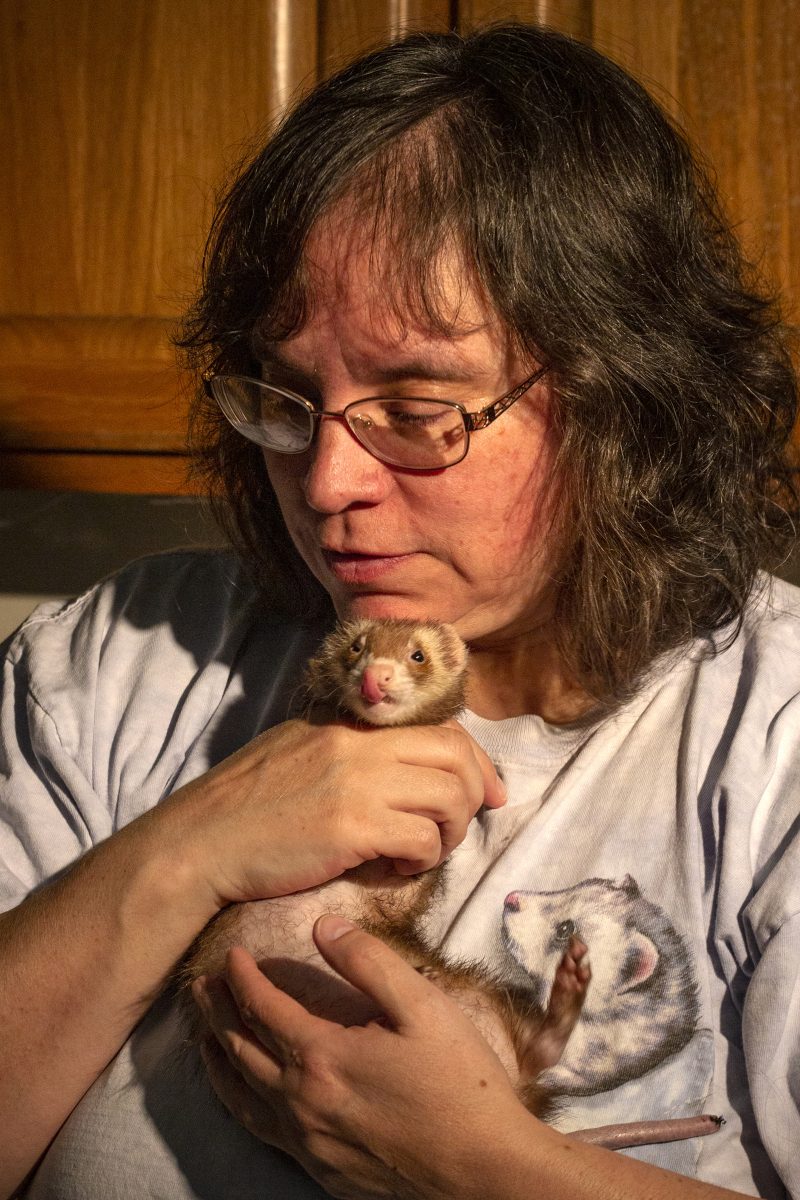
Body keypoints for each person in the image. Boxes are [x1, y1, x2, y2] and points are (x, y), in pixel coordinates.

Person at [1, 20, 798, 1200]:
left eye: (420, 407)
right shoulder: (126, 660)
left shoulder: (769, 740)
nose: (326, 486)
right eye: (285, 396)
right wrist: (180, 854)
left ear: (622, 393)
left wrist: (475, 1165)